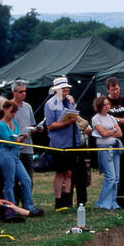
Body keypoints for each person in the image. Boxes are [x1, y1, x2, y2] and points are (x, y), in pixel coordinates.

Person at [0, 97, 41, 214]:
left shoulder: (14, 122)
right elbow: (8, 142)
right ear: (4, 110)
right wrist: (21, 139)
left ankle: (29, 207)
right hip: (6, 155)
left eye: (15, 112)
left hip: (15, 155)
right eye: (11, 112)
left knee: (26, 180)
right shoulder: (1, 125)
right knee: (9, 182)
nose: (13, 114)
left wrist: (23, 137)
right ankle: (12, 209)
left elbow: (16, 138)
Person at [43, 76, 79, 210]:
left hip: (70, 142)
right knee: (60, 172)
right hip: (58, 143)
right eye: (63, 89)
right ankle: (58, 201)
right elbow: (50, 125)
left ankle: (67, 200)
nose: (66, 91)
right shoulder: (50, 104)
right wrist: (67, 122)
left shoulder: (68, 102)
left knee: (68, 172)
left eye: (67, 89)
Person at [103, 78, 124, 208]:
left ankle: (123, 199)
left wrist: (115, 119)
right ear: (108, 90)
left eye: (117, 89)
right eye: (112, 90)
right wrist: (119, 121)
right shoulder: (105, 102)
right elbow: (103, 120)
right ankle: (112, 199)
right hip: (111, 142)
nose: (115, 92)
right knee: (114, 173)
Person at [90, 94, 122, 209]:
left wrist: (110, 131)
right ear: (99, 107)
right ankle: (101, 203)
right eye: (104, 105)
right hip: (104, 149)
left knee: (116, 178)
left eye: (108, 104)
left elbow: (120, 133)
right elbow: (102, 134)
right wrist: (113, 130)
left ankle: (113, 202)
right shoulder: (95, 119)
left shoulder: (111, 117)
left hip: (115, 148)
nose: (107, 106)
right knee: (110, 177)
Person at [9, 80, 37, 180]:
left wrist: (37, 129)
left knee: (29, 180)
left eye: (25, 91)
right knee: (15, 180)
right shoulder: (8, 107)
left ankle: (27, 196)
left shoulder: (28, 107)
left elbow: (31, 126)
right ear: (14, 93)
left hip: (28, 149)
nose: (24, 94)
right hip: (14, 149)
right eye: (21, 92)